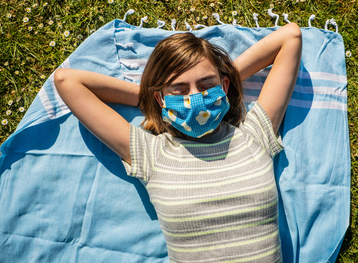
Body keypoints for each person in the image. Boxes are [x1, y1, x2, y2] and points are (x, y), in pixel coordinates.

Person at [54, 22, 302, 262]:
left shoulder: (254, 136)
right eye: (179, 90)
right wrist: (151, 101)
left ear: (224, 86)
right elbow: (68, 81)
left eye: (206, 85)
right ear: (162, 99)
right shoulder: (151, 154)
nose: (195, 98)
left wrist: (226, 82)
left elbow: (290, 37)